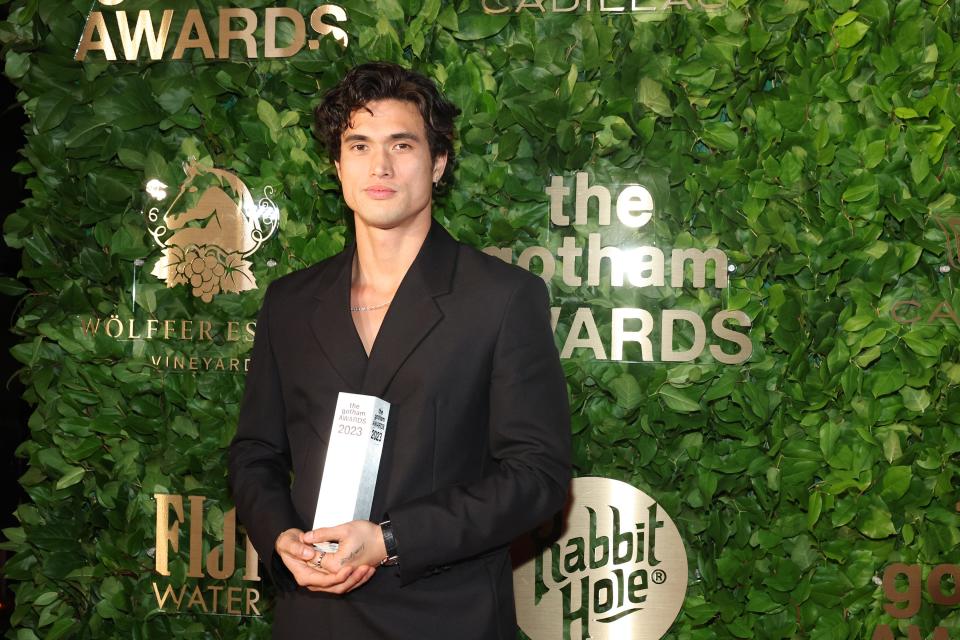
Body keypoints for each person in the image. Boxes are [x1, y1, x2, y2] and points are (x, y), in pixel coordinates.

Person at [228, 61, 571, 639]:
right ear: (338, 167)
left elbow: (538, 475)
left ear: (437, 164)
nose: (379, 166)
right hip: (314, 618)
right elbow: (255, 452)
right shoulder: (291, 302)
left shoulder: (502, 298)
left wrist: (390, 539)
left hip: (445, 616)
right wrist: (280, 536)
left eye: (402, 144)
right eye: (359, 145)